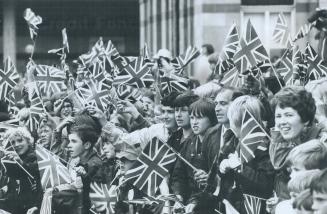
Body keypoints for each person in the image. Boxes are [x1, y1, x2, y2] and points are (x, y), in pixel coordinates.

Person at [269, 86, 326, 200]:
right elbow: (278, 164)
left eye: (289, 115)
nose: (282, 122)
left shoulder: (321, 141)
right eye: (278, 116)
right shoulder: (287, 137)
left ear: (305, 119)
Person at [220, 95, 274, 213]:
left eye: (232, 122)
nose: (231, 126)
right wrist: (225, 166)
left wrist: (239, 167)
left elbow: (265, 184)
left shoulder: (262, 145)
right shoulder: (236, 141)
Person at [171, 98, 217, 205]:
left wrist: (210, 179)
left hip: (211, 202)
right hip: (190, 200)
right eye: (192, 118)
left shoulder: (217, 142)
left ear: (211, 118)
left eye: (199, 118)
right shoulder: (189, 142)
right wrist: (179, 196)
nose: (194, 122)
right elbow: (178, 174)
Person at [66, 114, 103, 214]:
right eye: (69, 141)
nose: (69, 145)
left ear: (86, 145)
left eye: (74, 141)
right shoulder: (78, 160)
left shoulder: (95, 165)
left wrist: (85, 177)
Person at [1, 127, 43, 214]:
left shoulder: (36, 157)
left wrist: (20, 162)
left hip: (33, 205)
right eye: (12, 142)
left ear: (28, 141)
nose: (16, 144)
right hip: (17, 204)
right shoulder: (11, 160)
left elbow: (33, 172)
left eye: (20, 140)